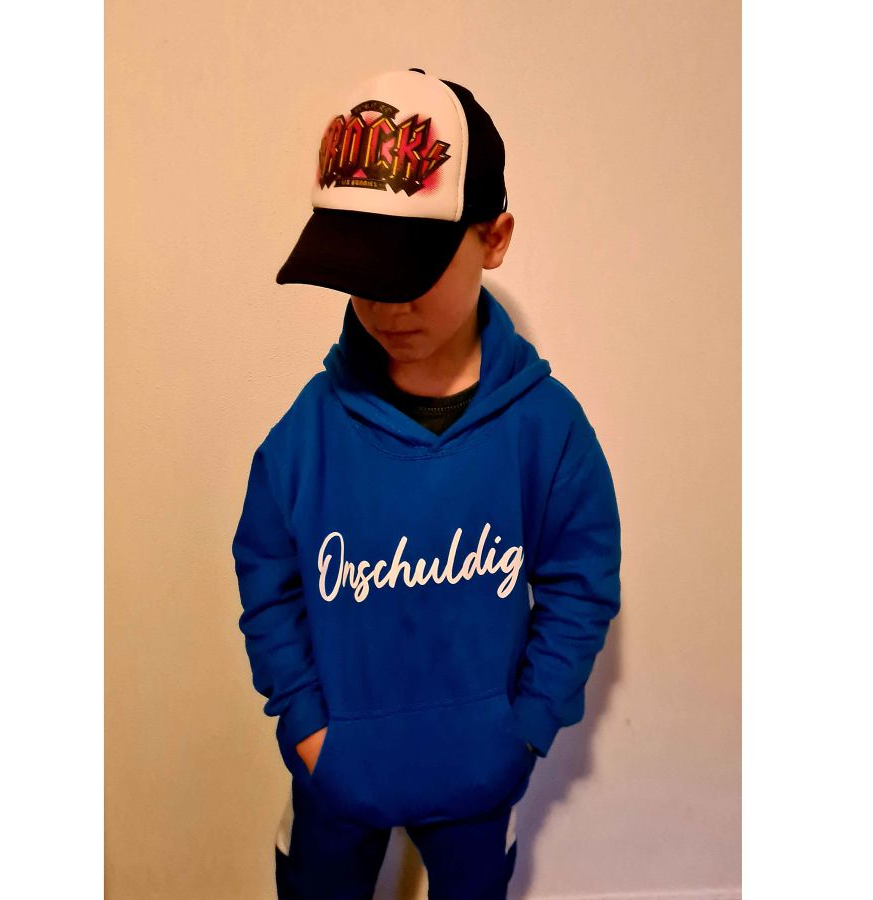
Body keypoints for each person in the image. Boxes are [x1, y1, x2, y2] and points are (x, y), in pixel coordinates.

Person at [231, 67, 622, 900]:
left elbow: (581, 584)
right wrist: (308, 727)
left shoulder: (547, 431)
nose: (386, 305)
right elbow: (266, 579)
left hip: (479, 780)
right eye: (360, 273)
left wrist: (523, 730)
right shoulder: (305, 437)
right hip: (335, 776)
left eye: (410, 272)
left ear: (495, 238)